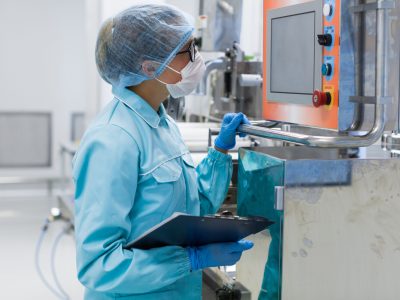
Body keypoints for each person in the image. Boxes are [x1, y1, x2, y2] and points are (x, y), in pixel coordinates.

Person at [72, 4, 253, 299]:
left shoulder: (161, 123)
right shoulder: (112, 140)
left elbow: (194, 208)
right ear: (150, 67)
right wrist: (191, 260)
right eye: (188, 51)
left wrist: (219, 152)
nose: (197, 60)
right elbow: (98, 266)